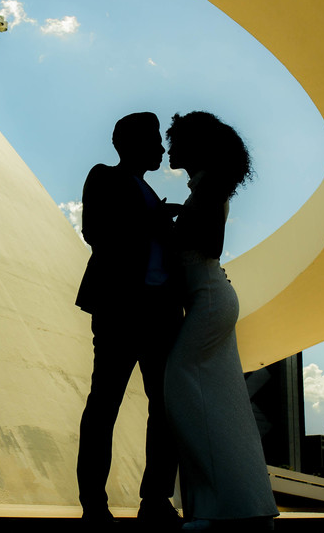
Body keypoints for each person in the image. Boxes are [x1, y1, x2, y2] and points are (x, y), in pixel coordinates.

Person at [163, 111, 278, 531]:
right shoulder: (207, 187)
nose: (170, 149)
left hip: (208, 300)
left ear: (195, 147)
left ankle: (216, 507)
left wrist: (167, 228)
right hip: (209, 299)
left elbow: (209, 243)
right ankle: (235, 504)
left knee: (181, 389)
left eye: (176, 141)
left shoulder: (208, 187)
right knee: (225, 406)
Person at [74, 112, 183, 528]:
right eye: (154, 140)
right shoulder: (104, 177)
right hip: (120, 310)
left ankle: (155, 498)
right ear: (130, 144)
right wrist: (155, 221)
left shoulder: (150, 193)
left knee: (165, 408)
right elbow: (96, 231)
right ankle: (93, 503)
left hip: (159, 314)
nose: (160, 148)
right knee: (105, 404)